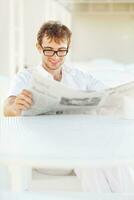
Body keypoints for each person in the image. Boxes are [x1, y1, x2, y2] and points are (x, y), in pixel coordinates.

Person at [3, 20, 134, 192]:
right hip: (44, 151)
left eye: (61, 51)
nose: (55, 57)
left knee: (110, 159)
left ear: (67, 48)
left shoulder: (80, 77)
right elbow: (7, 107)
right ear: (38, 47)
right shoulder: (25, 77)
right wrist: (14, 107)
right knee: (90, 158)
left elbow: (109, 96)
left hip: (79, 146)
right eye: (48, 50)